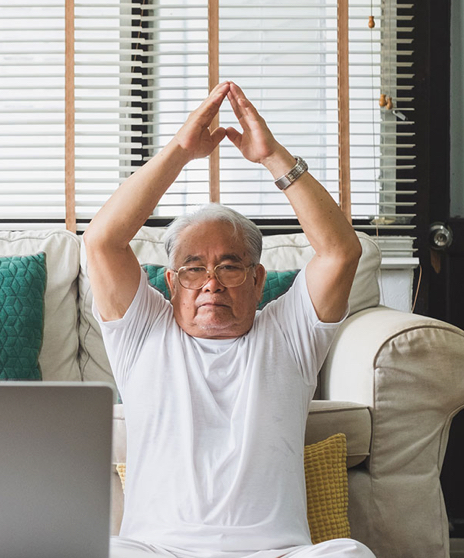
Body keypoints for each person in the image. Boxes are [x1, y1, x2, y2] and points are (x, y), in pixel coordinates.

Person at [84, 82, 375, 558]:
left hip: (275, 554)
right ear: (172, 283)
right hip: (157, 552)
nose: (211, 283)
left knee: (350, 554)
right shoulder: (143, 334)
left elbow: (341, 252)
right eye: (194, 268)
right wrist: (180, 151)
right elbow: (101, 242)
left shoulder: (288, 336)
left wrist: (273, 156)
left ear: (259, 280)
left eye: (230, 266)